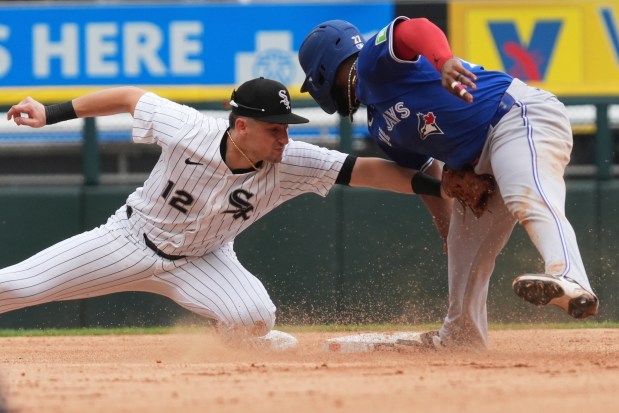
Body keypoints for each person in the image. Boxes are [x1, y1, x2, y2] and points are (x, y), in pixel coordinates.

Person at [3, 77, 451, 351]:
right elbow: (128, 96)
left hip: (203, 259)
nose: (284, 139)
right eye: (275, 129)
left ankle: (238, 343)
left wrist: (441, 185)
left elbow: (367, 171)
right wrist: (51, 112)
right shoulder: (190, 128)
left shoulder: (292, 162)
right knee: (18, 284)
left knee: (256, 316)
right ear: (242, 126)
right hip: (127, 240)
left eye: (287, 128)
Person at [298, 17, 599, 350]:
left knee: (526, 195)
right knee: (464, 245)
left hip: (517, 116)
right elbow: (429, 175)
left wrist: (444, 61)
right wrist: (449, 228)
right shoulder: (379, 127)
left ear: (322, 73)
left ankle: (570, 276)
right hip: (479, 161)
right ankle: (462, 335)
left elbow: (415, 28)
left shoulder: (372, 61)